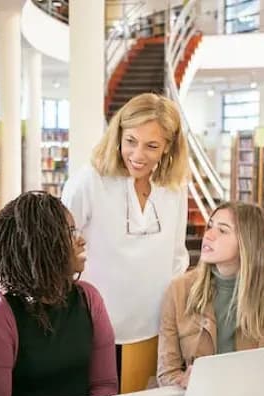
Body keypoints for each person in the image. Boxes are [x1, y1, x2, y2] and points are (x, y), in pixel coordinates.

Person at [61, 93, 190, 376]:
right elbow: (59, 251)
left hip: (156, 327)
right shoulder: (89, 182)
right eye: (130, 141)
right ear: (118, 134)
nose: (138, 155)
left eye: (152, 146)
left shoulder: (175, 187)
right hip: (95, 328)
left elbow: (177, 256)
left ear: (168, 147)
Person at [0, 192, 118, 396]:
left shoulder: (89, 299)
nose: (81, 240)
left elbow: (104, 388)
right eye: (70, 232)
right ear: (41, 244)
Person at [157, 202, 264, 388]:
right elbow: (166, 373)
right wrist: (183, 382)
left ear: (247, 241)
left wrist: (228, 382)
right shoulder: (178, 289)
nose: (208, 235)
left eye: (222, 231)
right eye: (210, 226)